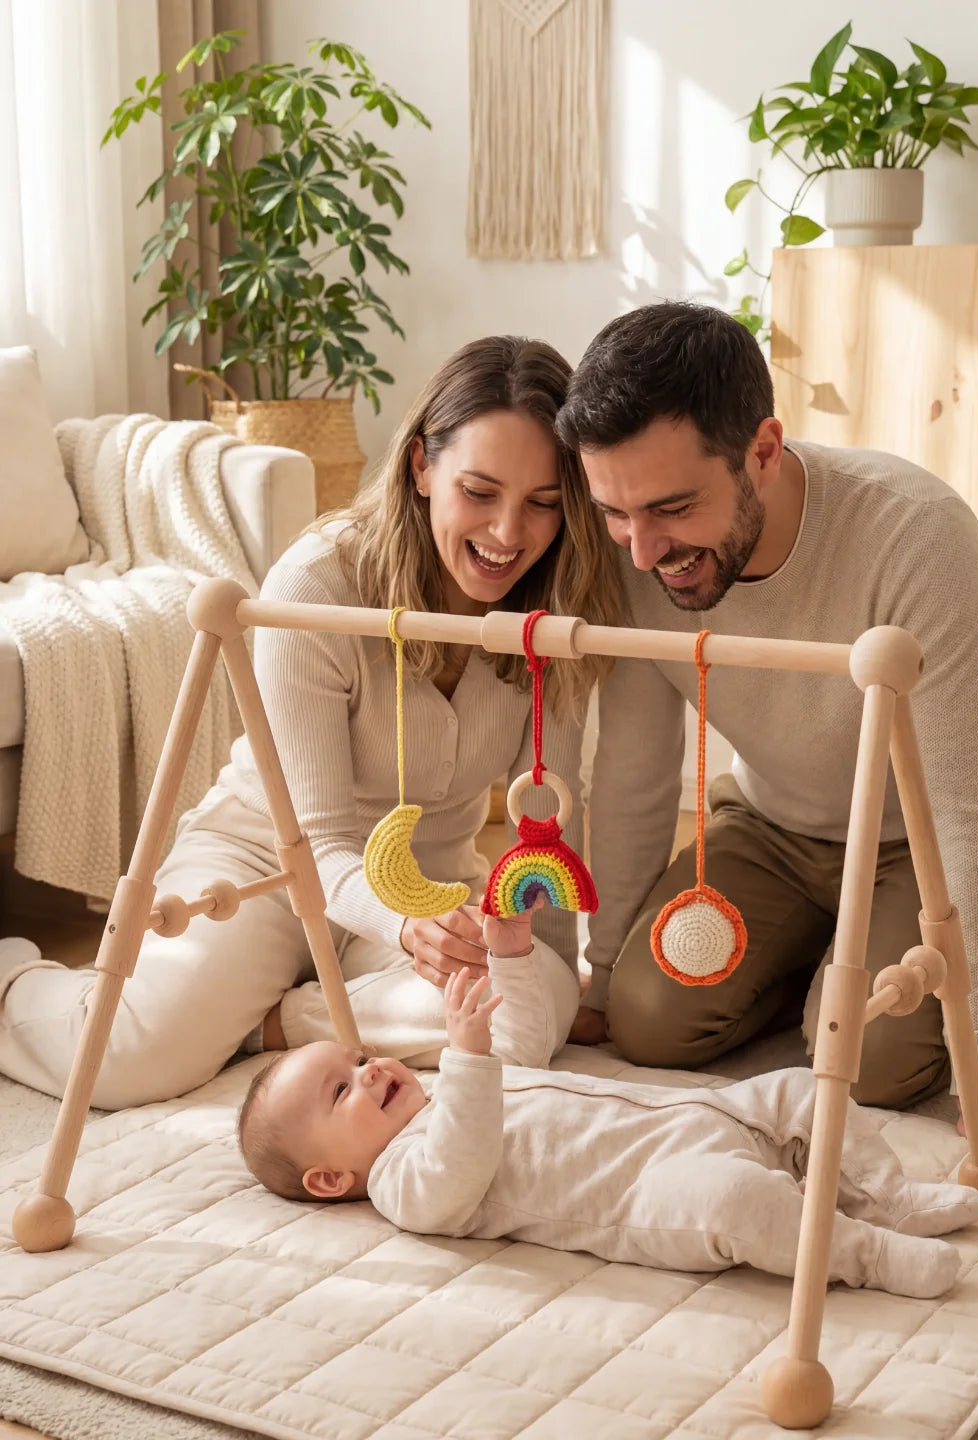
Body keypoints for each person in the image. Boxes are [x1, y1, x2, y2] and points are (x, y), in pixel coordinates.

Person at [0, 336, 623, 1109]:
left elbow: (545, 831)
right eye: (481, 491)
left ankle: (276, 1021)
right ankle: (11, 982)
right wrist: (402, 929)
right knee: (124, 1063)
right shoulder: (318, 583)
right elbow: (321, 843)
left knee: (524, 1024)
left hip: (422, 886)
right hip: (269, 861)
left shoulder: (555, 604)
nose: (507, 533)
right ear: (422, 469)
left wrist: (559, 976)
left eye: (543, 504)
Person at [555, 300, 978, 1162]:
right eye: (617, 511)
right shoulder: (632, 551)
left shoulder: (916, 533)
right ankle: (817, 954)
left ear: (762, 449)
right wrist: (605, 975)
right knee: (647, 1022)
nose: (643, 551)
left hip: (922, 839)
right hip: (772, 828)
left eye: (673, 509)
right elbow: (636, 774)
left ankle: (845, 960)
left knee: (873, 1063)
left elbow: (967, 810)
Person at [237, 904, 978, 1299]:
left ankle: (886, 1197)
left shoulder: (441, 1090)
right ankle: (867, 1254)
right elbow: (458, 1170)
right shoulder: (405, 1180)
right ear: (332, 1178)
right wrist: (464, 1059)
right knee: (738, 1203)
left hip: (696, 1119)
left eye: (360, 1059)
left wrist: (507, 954)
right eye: (343, 1090)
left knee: (802, 1091)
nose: (370, 1072)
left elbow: (525, 1040)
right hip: (657, 1194)